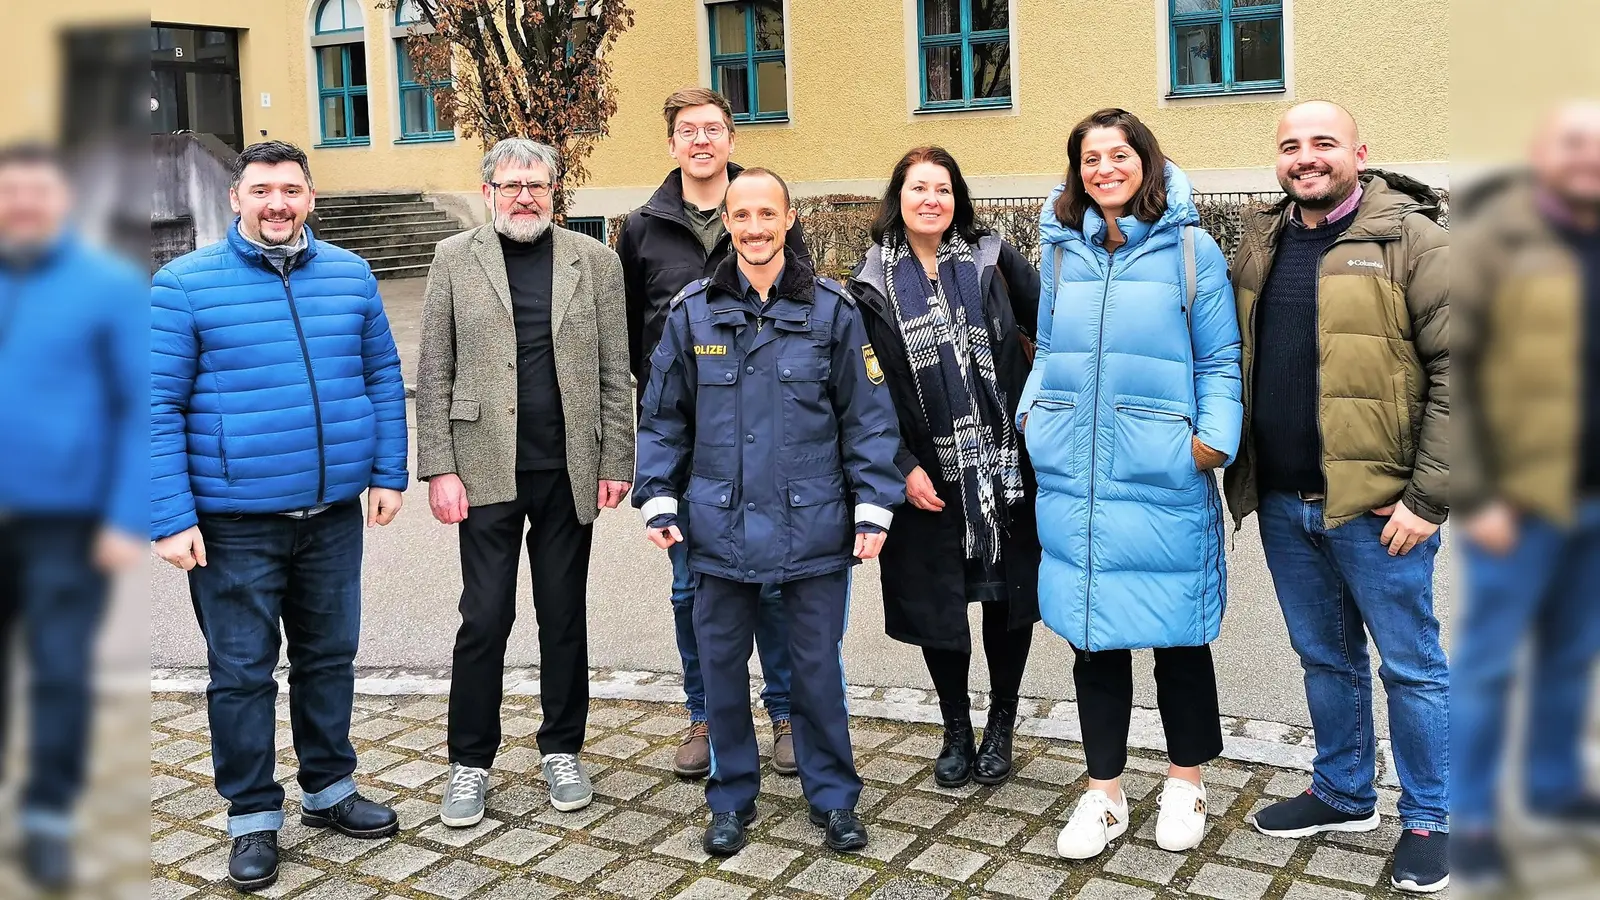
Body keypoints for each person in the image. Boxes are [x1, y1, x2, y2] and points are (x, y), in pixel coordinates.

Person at [151, 140, 409, 893]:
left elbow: (382, 373)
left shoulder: (352, 274)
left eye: (290, 190)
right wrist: (169, 516)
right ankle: (252, 817)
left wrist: (387, 470)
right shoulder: (183, 285)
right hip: (234, 522)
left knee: (329, 657)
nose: (277, 204)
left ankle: (328, 790)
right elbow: (156, 407)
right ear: (237, 198)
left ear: (310, 197)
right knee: (241, 674)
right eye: (261, 190)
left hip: (332, 513)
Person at [632, 168, 903, 857]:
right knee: (722, 672)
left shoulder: (832, 310)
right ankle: (730, 797)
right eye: (741, 215)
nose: (754, 228)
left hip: (812, 525)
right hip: (716, 527)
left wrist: (873, 504)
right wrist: (657, 492)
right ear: (727, 221)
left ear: (788, 221)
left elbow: (867, 419)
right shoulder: (693, 311)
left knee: (816, 670)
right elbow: (662, 418)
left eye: (767, 215)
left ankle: (834, 797)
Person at [1224, 101, 1450, 894]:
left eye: (1323, 143)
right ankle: (1343, 792)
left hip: (1382, 507)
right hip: (1286, 502)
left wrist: (1429, 499)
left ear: (1361, 150)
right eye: (1291, 146)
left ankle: (1427, 817)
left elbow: (1468, 373)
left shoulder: (1411, 240)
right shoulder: (1262, 240)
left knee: (1412, 670)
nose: (1305, 158)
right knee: (1326, 659)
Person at [1016, 109, 1242, 861]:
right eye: (1090, 157)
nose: (1104, 168)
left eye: (1119, 154)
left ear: (1145, 161)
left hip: (1162, 466)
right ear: (1076, 169)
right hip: (1076, 468)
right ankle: (1103, 792)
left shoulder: (1191, 250)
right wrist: (1034, 415)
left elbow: (1218, 360)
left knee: (1177, 631)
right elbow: (1047, 344)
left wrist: (1210, 444)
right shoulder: (1061, 251)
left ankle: (1186, 780)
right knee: (1092, 633)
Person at [415, 139, 635, 825]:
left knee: (563, 615)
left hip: (568, 468)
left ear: (555, 191)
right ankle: (469, 763)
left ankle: (561, 747)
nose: (525, 197)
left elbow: (612, 369)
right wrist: (439, 467)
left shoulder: (594, 262)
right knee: (485, 617)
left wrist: (615, 461)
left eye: (537, 185)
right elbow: (435, 372)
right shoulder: (454, 260)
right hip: (483, 468)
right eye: (511, 185)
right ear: (488, 193)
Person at [617, 87, 809, 780]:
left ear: (731, 138)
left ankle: (785, 711)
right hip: (691, 448)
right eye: (688, 131)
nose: (701, 141)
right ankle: (704, 714)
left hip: (771, 437)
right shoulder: (639, 229)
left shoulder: (760, 207)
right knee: (691, 590)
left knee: (779, 586)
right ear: (672, 144)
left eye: (714, 129)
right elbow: (630, 342)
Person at [846, 146, 1042, 788]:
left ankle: (1002, 725)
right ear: (897, 198)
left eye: (943, 188)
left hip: (1004, 466)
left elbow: (1056, 336)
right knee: (940, 605)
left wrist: (1038, 417)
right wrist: (900, 466)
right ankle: (956, 728)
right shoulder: (869, 284)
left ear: (957, 197)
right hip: (927, 473)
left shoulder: (994, 259)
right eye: (918, 188)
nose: (931, 199)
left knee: (1006, 600)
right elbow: (864, 390)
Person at [1451, 100, 1600, 890]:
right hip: (1520, 495)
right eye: (1575, 146)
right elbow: (1456, 374)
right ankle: (1468, 817)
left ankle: (1552, 788)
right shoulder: (1496, 243)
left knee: (1573, 656)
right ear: (1545, 153)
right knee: (1490, 664)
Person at [0, 142, 145, 890]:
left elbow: (139, 407)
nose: (21, 204)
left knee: (59, 671)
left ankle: (47, 817)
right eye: (9, 192)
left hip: (66, 520)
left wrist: (127, 515)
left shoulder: (107, 287)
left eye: (36, 192)